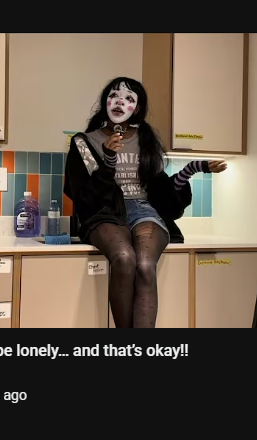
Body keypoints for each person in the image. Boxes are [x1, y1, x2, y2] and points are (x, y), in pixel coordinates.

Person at [63, 77, 227, 328]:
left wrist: (194, 168)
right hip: (105, 213)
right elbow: (85, 196)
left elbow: (162, 189)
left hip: (143, 211)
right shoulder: (83, 143)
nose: (120, 102)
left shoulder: (146, 139)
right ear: (106, 102)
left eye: (128, 99)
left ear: (137, 108)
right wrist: (108, 158)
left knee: (146, 265)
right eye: (114, 96)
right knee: (124, 257)